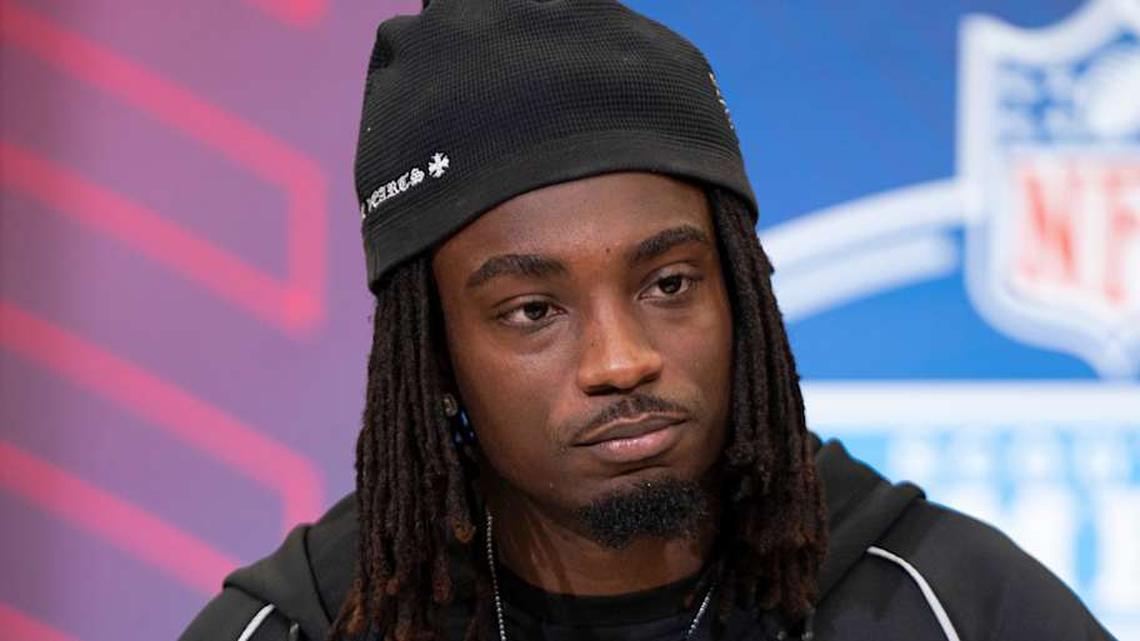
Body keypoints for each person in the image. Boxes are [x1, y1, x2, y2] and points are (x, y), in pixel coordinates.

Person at [179, 1, 1115, 640]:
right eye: (533, 309)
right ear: (435, 352)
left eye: (668, 283)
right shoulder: (312, 623)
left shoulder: (954, 605)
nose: (622, 360)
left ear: (741, 291)